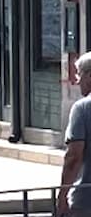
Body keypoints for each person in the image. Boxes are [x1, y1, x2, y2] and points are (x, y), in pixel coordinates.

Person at [59, 51, 91, 216]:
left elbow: (74, 156)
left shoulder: (82, 108)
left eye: (80, 75)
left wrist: (62, 195)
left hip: (86, 199)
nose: (77, 82)